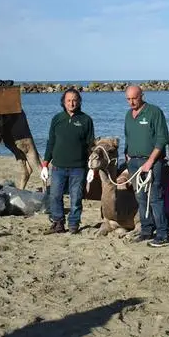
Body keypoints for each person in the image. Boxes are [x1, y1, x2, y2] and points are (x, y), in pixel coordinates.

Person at [41, 88, 95, 235]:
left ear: (79, 102)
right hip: (58, 167)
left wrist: (92, 168)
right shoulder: (57, 119)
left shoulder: (86, 120)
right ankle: (58, 223)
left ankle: (73, 224)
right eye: (69, 100)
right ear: (63, 102)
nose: (72, 103)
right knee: (55, 196)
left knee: (76, 198)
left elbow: (91, 146)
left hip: (78, 168)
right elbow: (51, 142)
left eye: (74, 100)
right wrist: (45, 164)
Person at [124, 84, 169, 247]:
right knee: (140, 197)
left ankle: (163, 234)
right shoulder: (129, 115)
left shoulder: (154, 112)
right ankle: (146, 230)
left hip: (152, 162)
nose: (131, 102)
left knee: (155, 198)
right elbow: (127, 136)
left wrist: (150, 162)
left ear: (142, 95)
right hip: (134, 163)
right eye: (128, 99)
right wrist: (127, 155)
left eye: (134, 98)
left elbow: (162, 138)